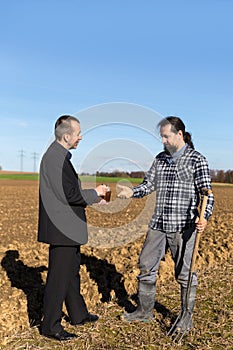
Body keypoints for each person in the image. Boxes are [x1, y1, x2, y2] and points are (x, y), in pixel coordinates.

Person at [117, 116, 214, 332]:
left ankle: (186, 317)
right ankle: (144, 312)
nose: (163, 141)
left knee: (185, 272)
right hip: (158, 223)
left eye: (166, 136)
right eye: (161, 136)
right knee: (146, 266)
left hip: (183, 226)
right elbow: (148, 185)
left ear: (179, 135)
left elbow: (208, 193)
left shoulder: (197, 160)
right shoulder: (160, 159)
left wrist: (204, 216)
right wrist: (132, 192)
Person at [38, 115, 107, 341]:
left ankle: (78, 314)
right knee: (59, 278)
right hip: (62, 229)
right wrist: (95, 192)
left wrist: (95, 199)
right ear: (66, 136)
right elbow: (69, 194)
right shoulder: (54, 158)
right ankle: (51, 326)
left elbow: (69, 192)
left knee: (71, 273)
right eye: (78, 133)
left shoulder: (59, 157)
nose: (80, 137)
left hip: (67, 228)